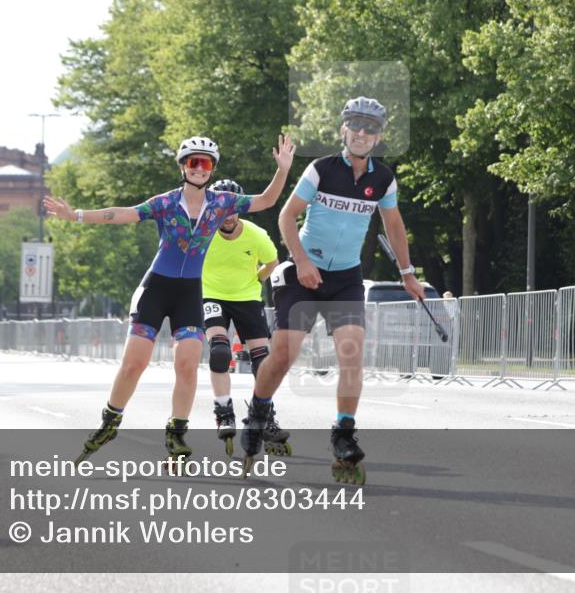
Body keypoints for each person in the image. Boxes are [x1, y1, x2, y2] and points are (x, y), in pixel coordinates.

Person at [44, 135, 295, 464]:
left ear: (212, 169)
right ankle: (109, 422)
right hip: (156, 290)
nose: (200, 169)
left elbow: (265, 200)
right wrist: (75, 215)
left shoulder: (222, 203)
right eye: (194, 162)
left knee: (188, 364)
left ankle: (176, 435)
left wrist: (283, 170)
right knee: (135, 363)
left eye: (206, 163)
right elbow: (121, 214)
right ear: (183, 166)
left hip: (190, 292)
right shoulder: (165, 203)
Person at [240, 97, 424, 485]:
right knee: (285, 354)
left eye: (370, 128)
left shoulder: (383, 179)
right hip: (302, 273)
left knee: (352, 353)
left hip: (345, 277)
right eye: (355, 126)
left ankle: (343, 433)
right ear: (343, 130)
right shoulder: (320, 169)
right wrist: (302, 261)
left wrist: (408, 273)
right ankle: (258, 411)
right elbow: (286, 216)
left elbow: (394, 226)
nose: (361, 133)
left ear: (379, 136)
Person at [199, 179, 287, 456]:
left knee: (263, 360)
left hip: (247, 298)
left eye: (233, 209)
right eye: (222, 209)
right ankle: (223, 410)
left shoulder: (256, 234)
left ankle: (266, 415)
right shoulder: (203, 232)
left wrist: (256, 279)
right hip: (211, 296)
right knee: (220, 352)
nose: (228, 216)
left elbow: (272, 262)